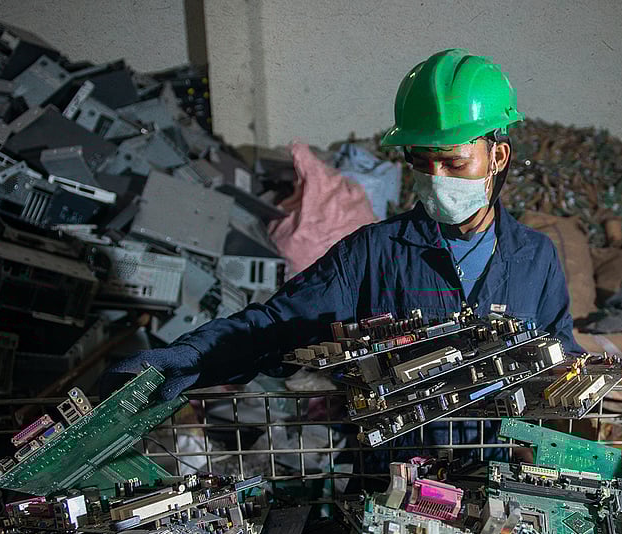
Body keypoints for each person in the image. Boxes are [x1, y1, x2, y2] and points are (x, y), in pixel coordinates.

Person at [104, 49, 579, 433]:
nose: (435, 178)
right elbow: (276, 324)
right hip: (392, 478)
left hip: (496, 479)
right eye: (420, 162)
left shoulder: (533, 257)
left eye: (453, 163)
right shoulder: (372, 253)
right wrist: (194, 357)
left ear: (497, 155)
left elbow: (559, 356)